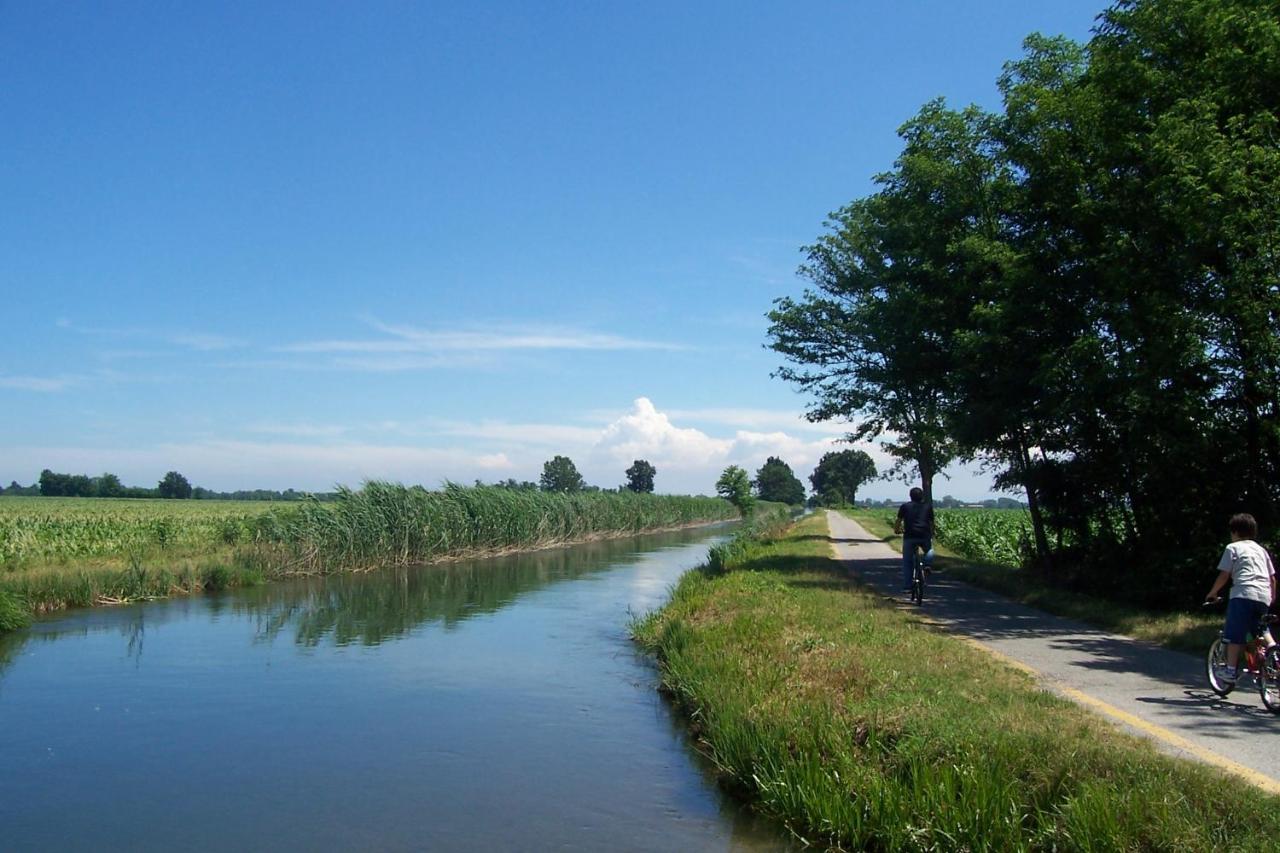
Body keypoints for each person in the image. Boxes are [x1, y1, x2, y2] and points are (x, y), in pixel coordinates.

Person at [1204, 512, 1276, 683]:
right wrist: (1271, 597)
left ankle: (1229, 671)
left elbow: (1224, 575)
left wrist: (1213, 593)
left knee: (1235, 634)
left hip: (1243, 595)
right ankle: (1273, 649)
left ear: (1235, 532)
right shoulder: (1262, 550)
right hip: (1263, 595)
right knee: (1260, 630)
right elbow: (1272, 578)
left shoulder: (1233, 547)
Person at [894, 487, 934, 594]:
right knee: (929, 550)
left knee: (907, 561)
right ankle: (927, 565)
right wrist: (932, 533)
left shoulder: (905, 506)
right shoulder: (927, 506)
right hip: (924, 535)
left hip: (910, 536)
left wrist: (896, 530)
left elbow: (898, 521)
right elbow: (931, 523)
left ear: (910, 496)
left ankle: (907, 586)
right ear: (922, 496)